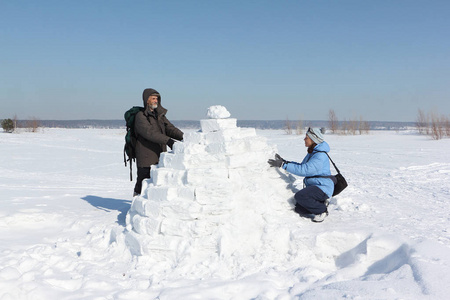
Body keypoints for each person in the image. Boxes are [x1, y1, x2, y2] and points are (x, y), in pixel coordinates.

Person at [268, 127, 334, 222]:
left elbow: (304, 170)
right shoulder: (313, 152)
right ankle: (321, 202)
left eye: (306, 137)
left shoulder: (319, 156)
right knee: (299, 209)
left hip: (323, 187)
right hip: (316, 185)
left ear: (313, 139)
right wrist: (285, 162)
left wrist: (283, 165)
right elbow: (302, 166)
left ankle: (321, 210)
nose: (304, 139)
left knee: (300, 196)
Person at [133, 88, 184, 196]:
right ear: (147, 100)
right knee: (143, 181)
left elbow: (170, 128)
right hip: (146, 156)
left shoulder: (159, 115)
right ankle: (135, 203)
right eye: (153, 98)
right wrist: (168, 141)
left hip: (160, 154)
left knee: (156, 183)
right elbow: (149, 133)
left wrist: (184, 137)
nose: (156, 101)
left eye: (157, 98)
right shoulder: (140, 116)